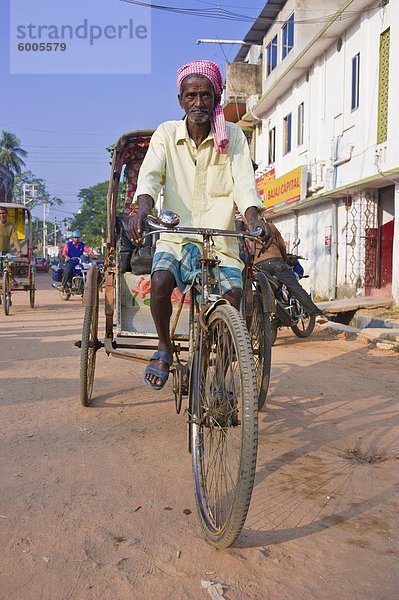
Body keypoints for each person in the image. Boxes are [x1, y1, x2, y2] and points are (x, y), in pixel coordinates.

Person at [129, 59, 270, 390]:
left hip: (220, 242)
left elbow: (244, 184)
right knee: (161, 280)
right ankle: (163, 347)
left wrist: (253, 219)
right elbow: (150, 177)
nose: (198, 103)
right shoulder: (166, 133)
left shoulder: (233, 136)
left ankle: (219, 368)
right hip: (175, 238)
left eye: (205, 96)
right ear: (180, 100)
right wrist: (142, 208)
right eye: (190, 96)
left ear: (216, 97)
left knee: (235, 298)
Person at [254, 219, 328, 323]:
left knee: (258, 290)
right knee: (294, 287)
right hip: (275, 262)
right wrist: (284, 259)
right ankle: (316, 314)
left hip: (258, 266)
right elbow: (281, 246)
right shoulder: (269, 226)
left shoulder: (246, 229)